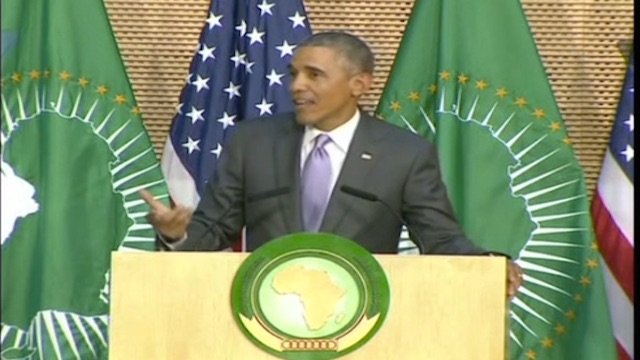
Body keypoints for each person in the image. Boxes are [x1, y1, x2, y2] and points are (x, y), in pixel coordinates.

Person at [141, 31, 523, 298]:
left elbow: (439, 238)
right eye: (294, 74)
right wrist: (176, 233)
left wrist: (486, 264)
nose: (297, 86)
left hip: (362, 317)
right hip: (263, 310)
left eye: (315, 75)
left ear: (359, 84)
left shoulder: (404, 153)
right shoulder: (252, 142)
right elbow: (213, 232)